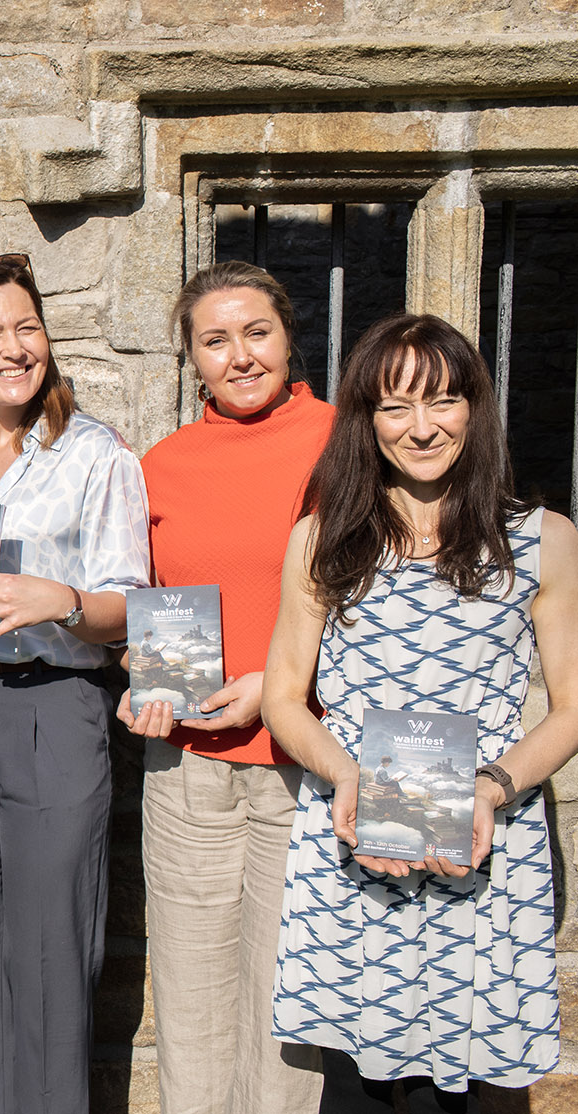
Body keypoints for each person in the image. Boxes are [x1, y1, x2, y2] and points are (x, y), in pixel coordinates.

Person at [263, 314, 578, 1110]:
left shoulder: (543, 540)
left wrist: (491, 788)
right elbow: (284, 698)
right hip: (357, 846)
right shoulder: (322, 539)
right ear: (366, 421)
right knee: (359, 1094)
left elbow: (573, 707)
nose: (422, 426)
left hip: (488, 848)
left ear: (475, 408)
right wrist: (347, 777)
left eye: (443, 400)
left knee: (470, 1096)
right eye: (396, 407)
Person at [0, 255, 148, 1114]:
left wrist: (65, 601)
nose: (14, 349)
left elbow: (131, 608)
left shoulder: (96, 455)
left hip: (51, 709)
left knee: (50, 960)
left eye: (27, 327)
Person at [116, 261, 332, 1114]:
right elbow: (147, 604)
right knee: (194, 1009)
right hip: (187, 774)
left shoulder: (348, 442)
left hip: (304, 760)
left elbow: (383, 601)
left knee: (288, 1025)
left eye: (256, 333)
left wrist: (278, 686)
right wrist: (140, 666)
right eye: (216, 340)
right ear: (192, 359)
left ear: (288, 338)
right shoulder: (160, 467)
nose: (239, 356)